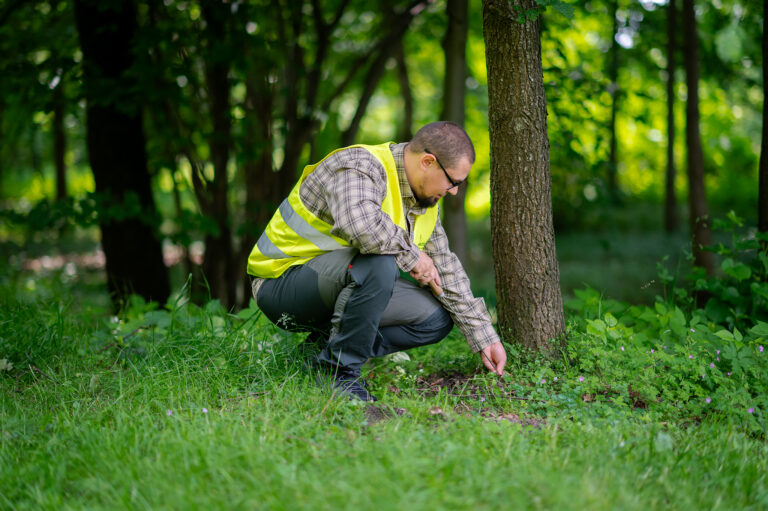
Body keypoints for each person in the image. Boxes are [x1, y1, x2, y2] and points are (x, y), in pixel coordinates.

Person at [247, 121, 507, 402]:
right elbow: (361, 227)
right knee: (380, 264)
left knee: (436, 318)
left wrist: (484, 336)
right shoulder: (358, 166)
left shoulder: (425, 204)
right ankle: (339, 374)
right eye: (453, 181)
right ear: (428, 162)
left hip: (335, 283)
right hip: (282, 283)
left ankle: (320, 354)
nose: (455, 191)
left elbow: (445, 269)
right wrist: (413, 255)